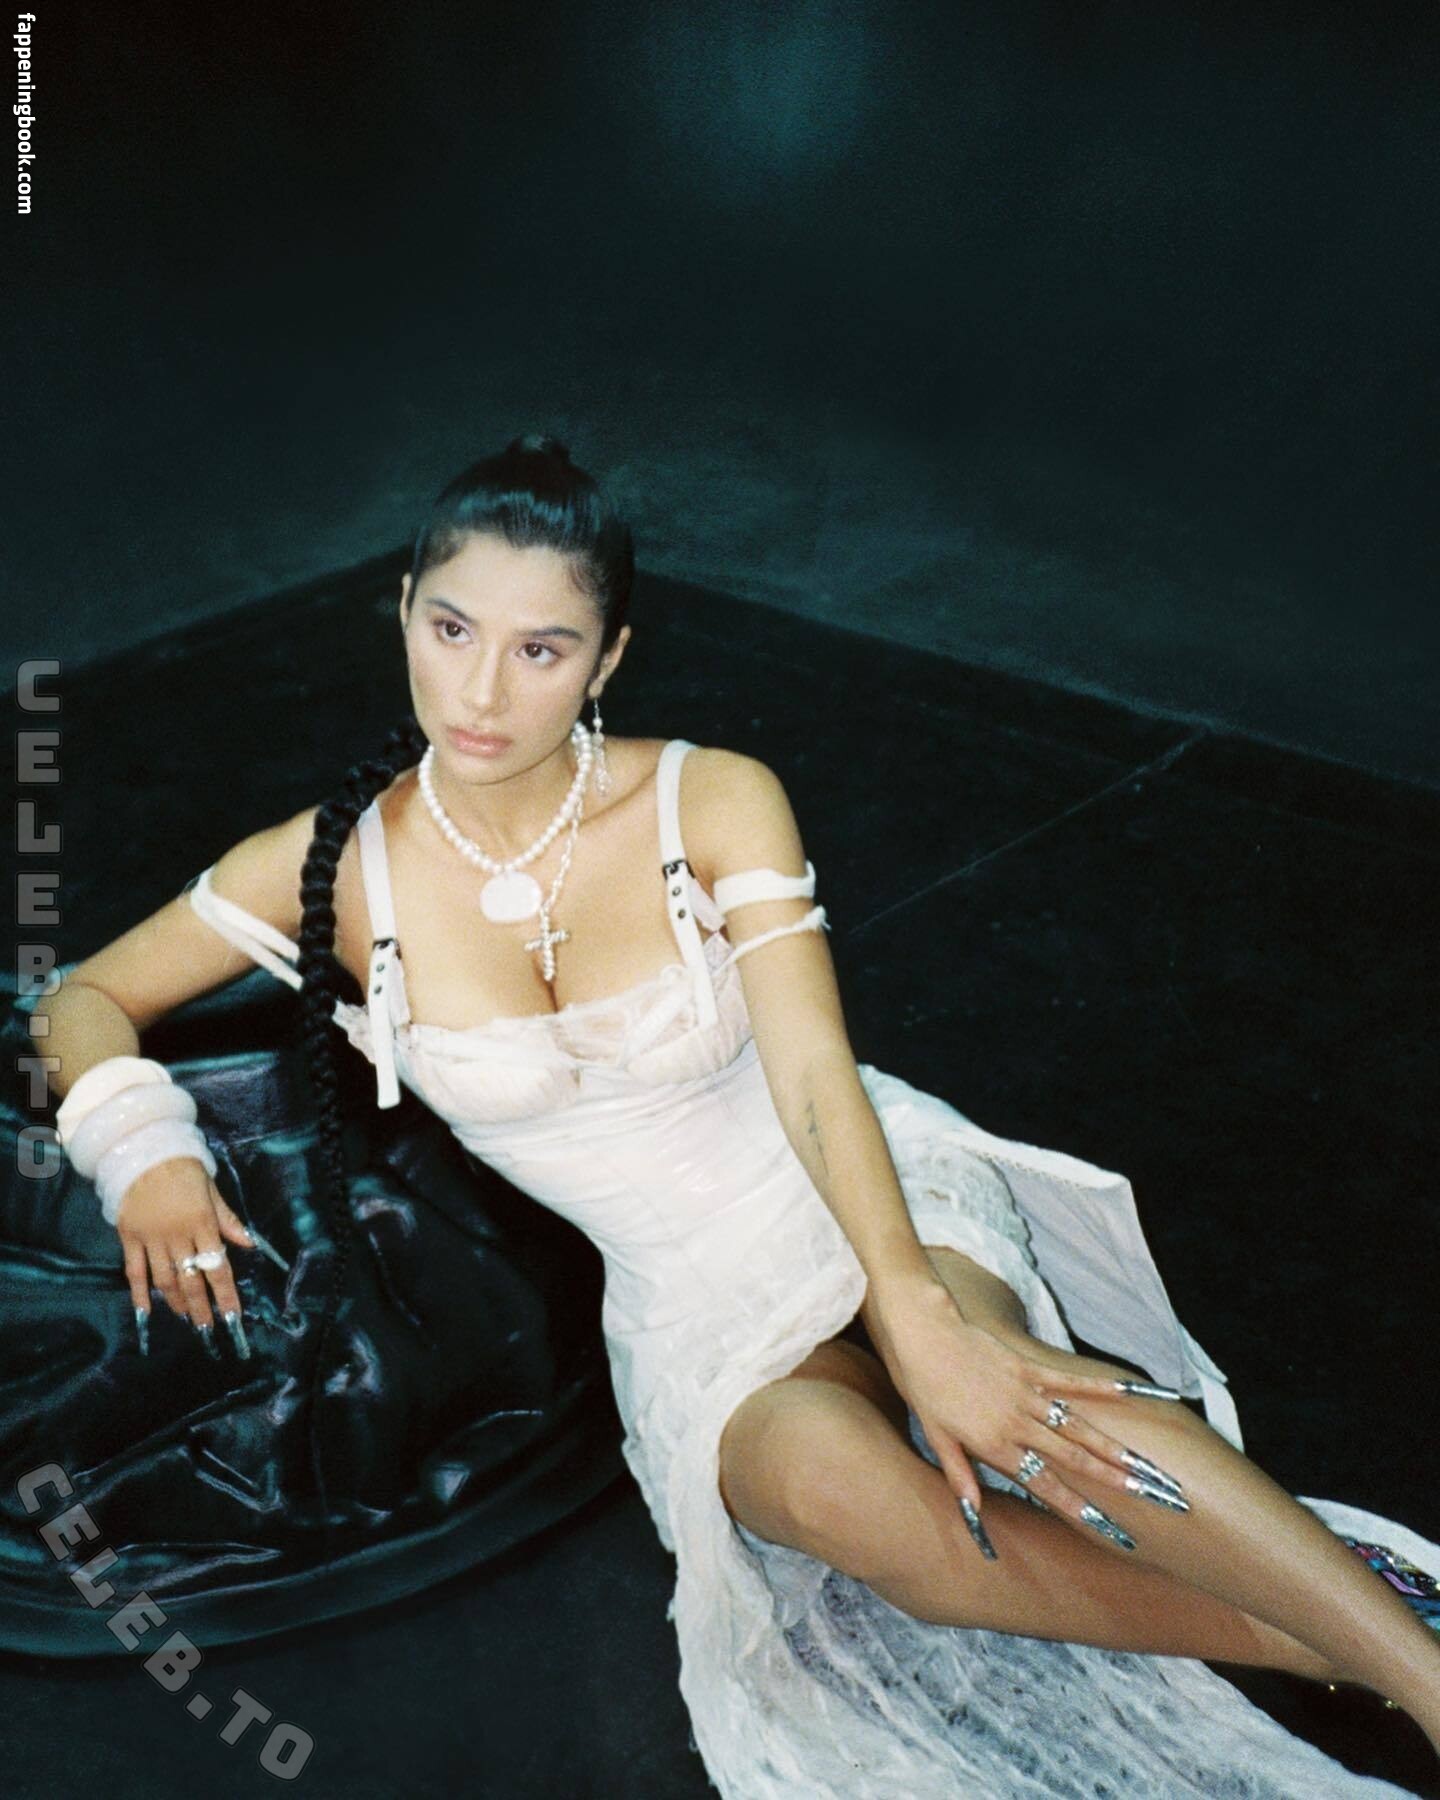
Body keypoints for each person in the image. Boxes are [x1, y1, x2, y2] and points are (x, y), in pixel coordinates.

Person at [35, 434, 1440, 1798]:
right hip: (688, 1301)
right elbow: (84, 997)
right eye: (452, 629)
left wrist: (918, 1320)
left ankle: (1429, 1683)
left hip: (864, 1186)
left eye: (542, 649)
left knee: (1022, 1409)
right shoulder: (339, 867)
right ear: (402, 611)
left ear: (608, 661)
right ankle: (1343, 1632)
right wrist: (142, 1151)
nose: (482, 689)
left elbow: (818, 1078)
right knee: (865, 1515)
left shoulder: (706, 799)